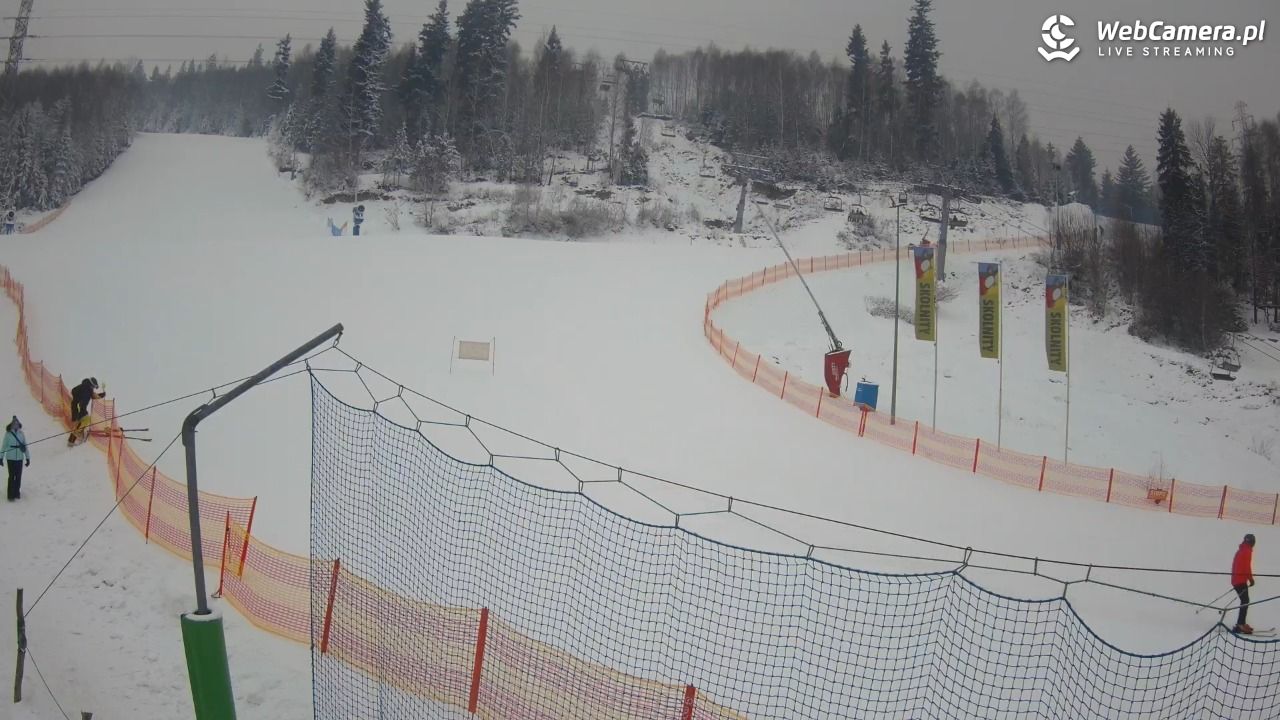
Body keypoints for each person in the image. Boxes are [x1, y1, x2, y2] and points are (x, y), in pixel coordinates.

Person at [67, 377, 106, 447]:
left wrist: (101, 395)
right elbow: (82, 402)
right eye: (94, 387)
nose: (94, 388)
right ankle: (71, 442)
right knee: (81, 423)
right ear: (91, 385)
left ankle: (77, 437)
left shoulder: (86, 387)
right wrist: (80, 412)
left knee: (84, 421)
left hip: (78, 408)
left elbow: (93, 395)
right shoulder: (86, 389)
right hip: (79, 409)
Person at [1232, 533, 1257, 634]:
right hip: (1240, 580)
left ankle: (1241, 623)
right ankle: (1240, 624)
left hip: (1237, 579)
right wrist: (1250, 579)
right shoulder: (1246, 551)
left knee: (1245, 601)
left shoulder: (1242, 550)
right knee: (1245, 601)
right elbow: (1246, 567)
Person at [3, 416, 29, 501]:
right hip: (10, 458)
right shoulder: (8, 434)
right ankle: (10, 495)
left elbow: (25, 446)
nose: (15, 425)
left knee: (18, 476)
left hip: (19, 459)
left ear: (19, 424)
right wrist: (0, 457)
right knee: (11, 476)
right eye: (14, 423)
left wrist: (27, 458)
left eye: (17, 423)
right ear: (12, 424)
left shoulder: (21, 434)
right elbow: (3, 446)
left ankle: (16, 493)